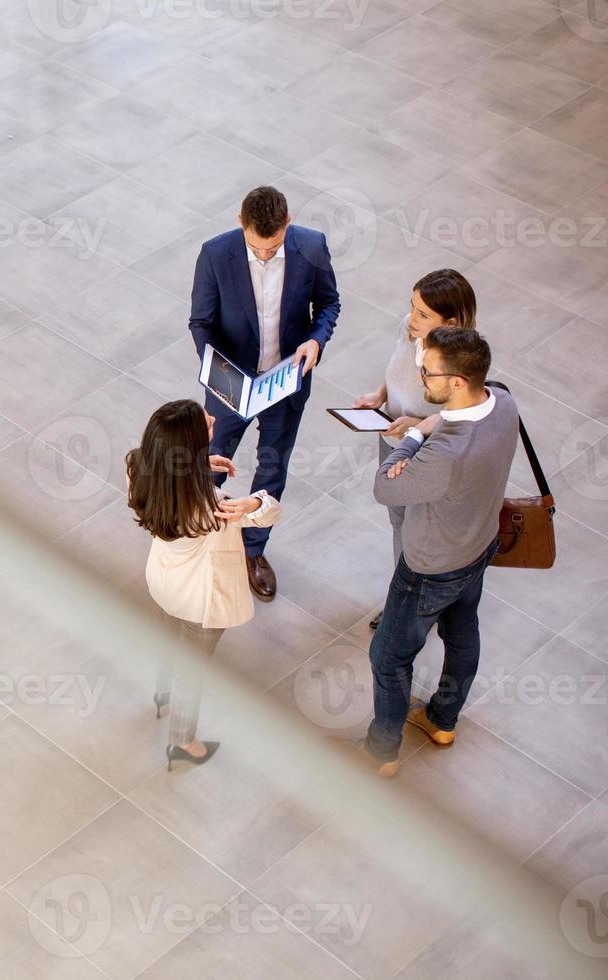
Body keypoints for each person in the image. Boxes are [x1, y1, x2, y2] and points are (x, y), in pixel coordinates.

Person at [354, 327, 516, 776]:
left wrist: (414, 437)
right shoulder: (503, 402)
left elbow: (385, 487)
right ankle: (442, 720)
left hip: (428, 566)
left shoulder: (444, 454)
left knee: (388, 657)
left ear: (458, 382)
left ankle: (381, 752)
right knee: (462, 634)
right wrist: (435, 421)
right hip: (479, 547)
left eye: (427, 373)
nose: (420, 378)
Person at [189, 186, 341, 602]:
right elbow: (201, 323)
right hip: (230, 385)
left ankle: (252, 552)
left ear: (288, 224)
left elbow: (328, 304)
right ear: (242, 225)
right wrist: (218, 373)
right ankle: (199, 540)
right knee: (210, 464)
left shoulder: (311, 246)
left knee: (272, 468)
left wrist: (316, 341)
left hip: (285, 384)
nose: (266, 255)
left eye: (273, 248)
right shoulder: (217, 253)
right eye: (258, 248)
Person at [127, 400, 282, 770]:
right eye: (206, 424)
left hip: (163, 583)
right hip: (200, 600)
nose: (213, 419)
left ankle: (163, 695)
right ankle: (183, 742)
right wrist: (252, 502)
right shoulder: (215, 507)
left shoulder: (138, 467)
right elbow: (270, 510)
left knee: (169, 640)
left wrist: (199, 465)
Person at [353, 269, 478, 630]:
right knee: (398, 518)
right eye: (412, 306)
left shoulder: (463, 360)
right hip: (392, 436)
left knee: (419, 529)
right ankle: (402, 599)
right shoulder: (409, 329)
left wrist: (419, 427)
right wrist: (381, 394)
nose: (412, 318)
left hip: (424, 450)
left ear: (450, 322)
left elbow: (464, 411)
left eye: (423, 314)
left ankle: (414, 607)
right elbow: (397, 367)